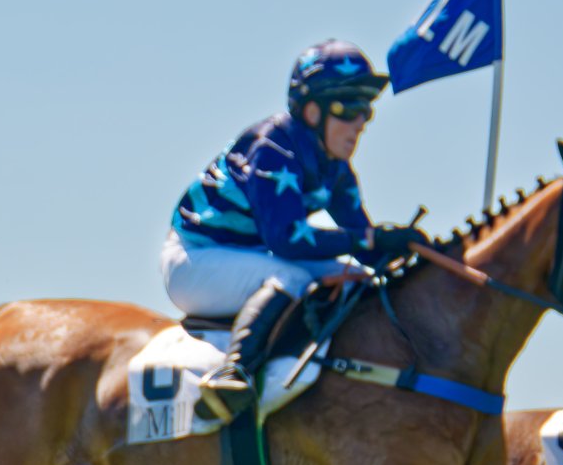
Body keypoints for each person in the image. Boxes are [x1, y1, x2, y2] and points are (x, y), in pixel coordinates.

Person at [161, 39, 419, 423]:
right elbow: (286, 238)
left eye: (366, 110)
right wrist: (371, 238)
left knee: (356, 279)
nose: (361, 122)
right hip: (194, 259)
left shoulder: (336, 168)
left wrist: (410, 252)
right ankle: (235, 374)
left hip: (251, 257)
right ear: (313, 111)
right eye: (350, 109)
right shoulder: (272, 147)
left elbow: (364, 245)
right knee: (290, 276)